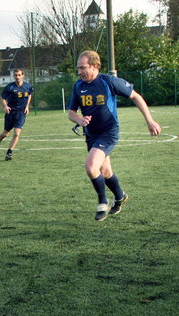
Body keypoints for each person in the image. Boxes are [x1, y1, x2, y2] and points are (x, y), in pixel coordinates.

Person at [68, 50, 161, 221]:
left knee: (90, 166)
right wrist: (80, 120)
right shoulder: (78, 86)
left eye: (83, 68)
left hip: (108, 132)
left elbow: (136, 96)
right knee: (105, 171)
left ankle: (103, 202)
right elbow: (71, 113)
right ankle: (120, 197)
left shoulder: (108, 81)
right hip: (91, 134)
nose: (79, 72)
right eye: (78, 68)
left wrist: (150, 121)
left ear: (95, 66)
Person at [0, 68, 33, 161]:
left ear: (23, 75)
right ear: (14, 76)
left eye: (19, 75)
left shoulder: (27, 86)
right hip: (11, 113)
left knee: (16, 134)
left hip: (21, 113)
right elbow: (3, 98)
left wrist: (27, 106)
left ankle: (9, 152)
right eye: (15, 75)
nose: (17, 77)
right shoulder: (9, 87)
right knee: (5, 134)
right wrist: (5, 106)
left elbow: (29, 94)